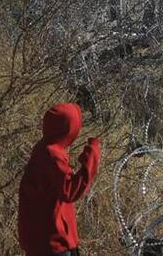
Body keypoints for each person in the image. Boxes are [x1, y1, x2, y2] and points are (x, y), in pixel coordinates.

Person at [17, 102, 100, 256]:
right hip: (52, 244)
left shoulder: (45, 148)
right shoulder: (52, 155)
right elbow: (70, 191)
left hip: (45, 240)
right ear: (68, 130)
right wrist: (92, 156)